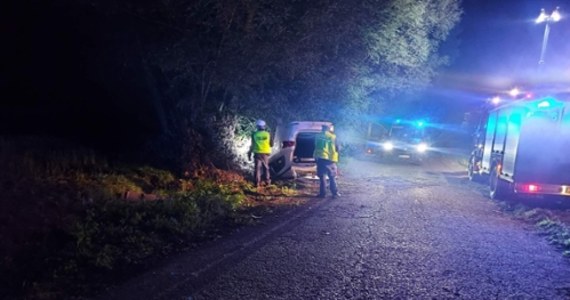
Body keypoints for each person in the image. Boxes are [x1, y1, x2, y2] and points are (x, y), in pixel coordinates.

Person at [314, 124, 340, 198]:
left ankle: (322, 194)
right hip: (330, 159)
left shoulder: (317, 136)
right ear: (328, 129)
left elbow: (316, 145)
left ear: (322, 129)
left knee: (322, 177)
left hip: (320, 158)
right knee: (332, 176)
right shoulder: (332, 136)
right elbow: (337, 147)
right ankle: (335, 193)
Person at [248, 119, 273, 188]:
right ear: (264, 126)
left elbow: (252, 145)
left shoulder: (254, 134)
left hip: (257, 153)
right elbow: (271, 144)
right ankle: (267, 182)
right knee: (266, 168)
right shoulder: (268, 134)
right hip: (265, 153)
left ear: (257, 126)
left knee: (257, 168)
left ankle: (256, 183)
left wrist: (249, 153)